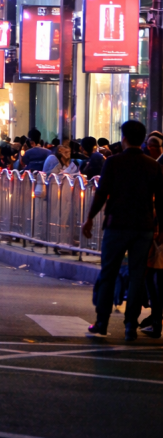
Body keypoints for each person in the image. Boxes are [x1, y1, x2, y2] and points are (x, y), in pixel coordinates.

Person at [82, 120, 163, 340]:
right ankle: (130, 326)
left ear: (124, 138)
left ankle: (101, 322)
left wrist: (89, 218)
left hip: (116, 225)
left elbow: (102, 193)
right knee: (138, 276)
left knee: (109, 272)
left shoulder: (114, 163)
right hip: (143, 228)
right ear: (143, 141)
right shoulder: (153, 165)